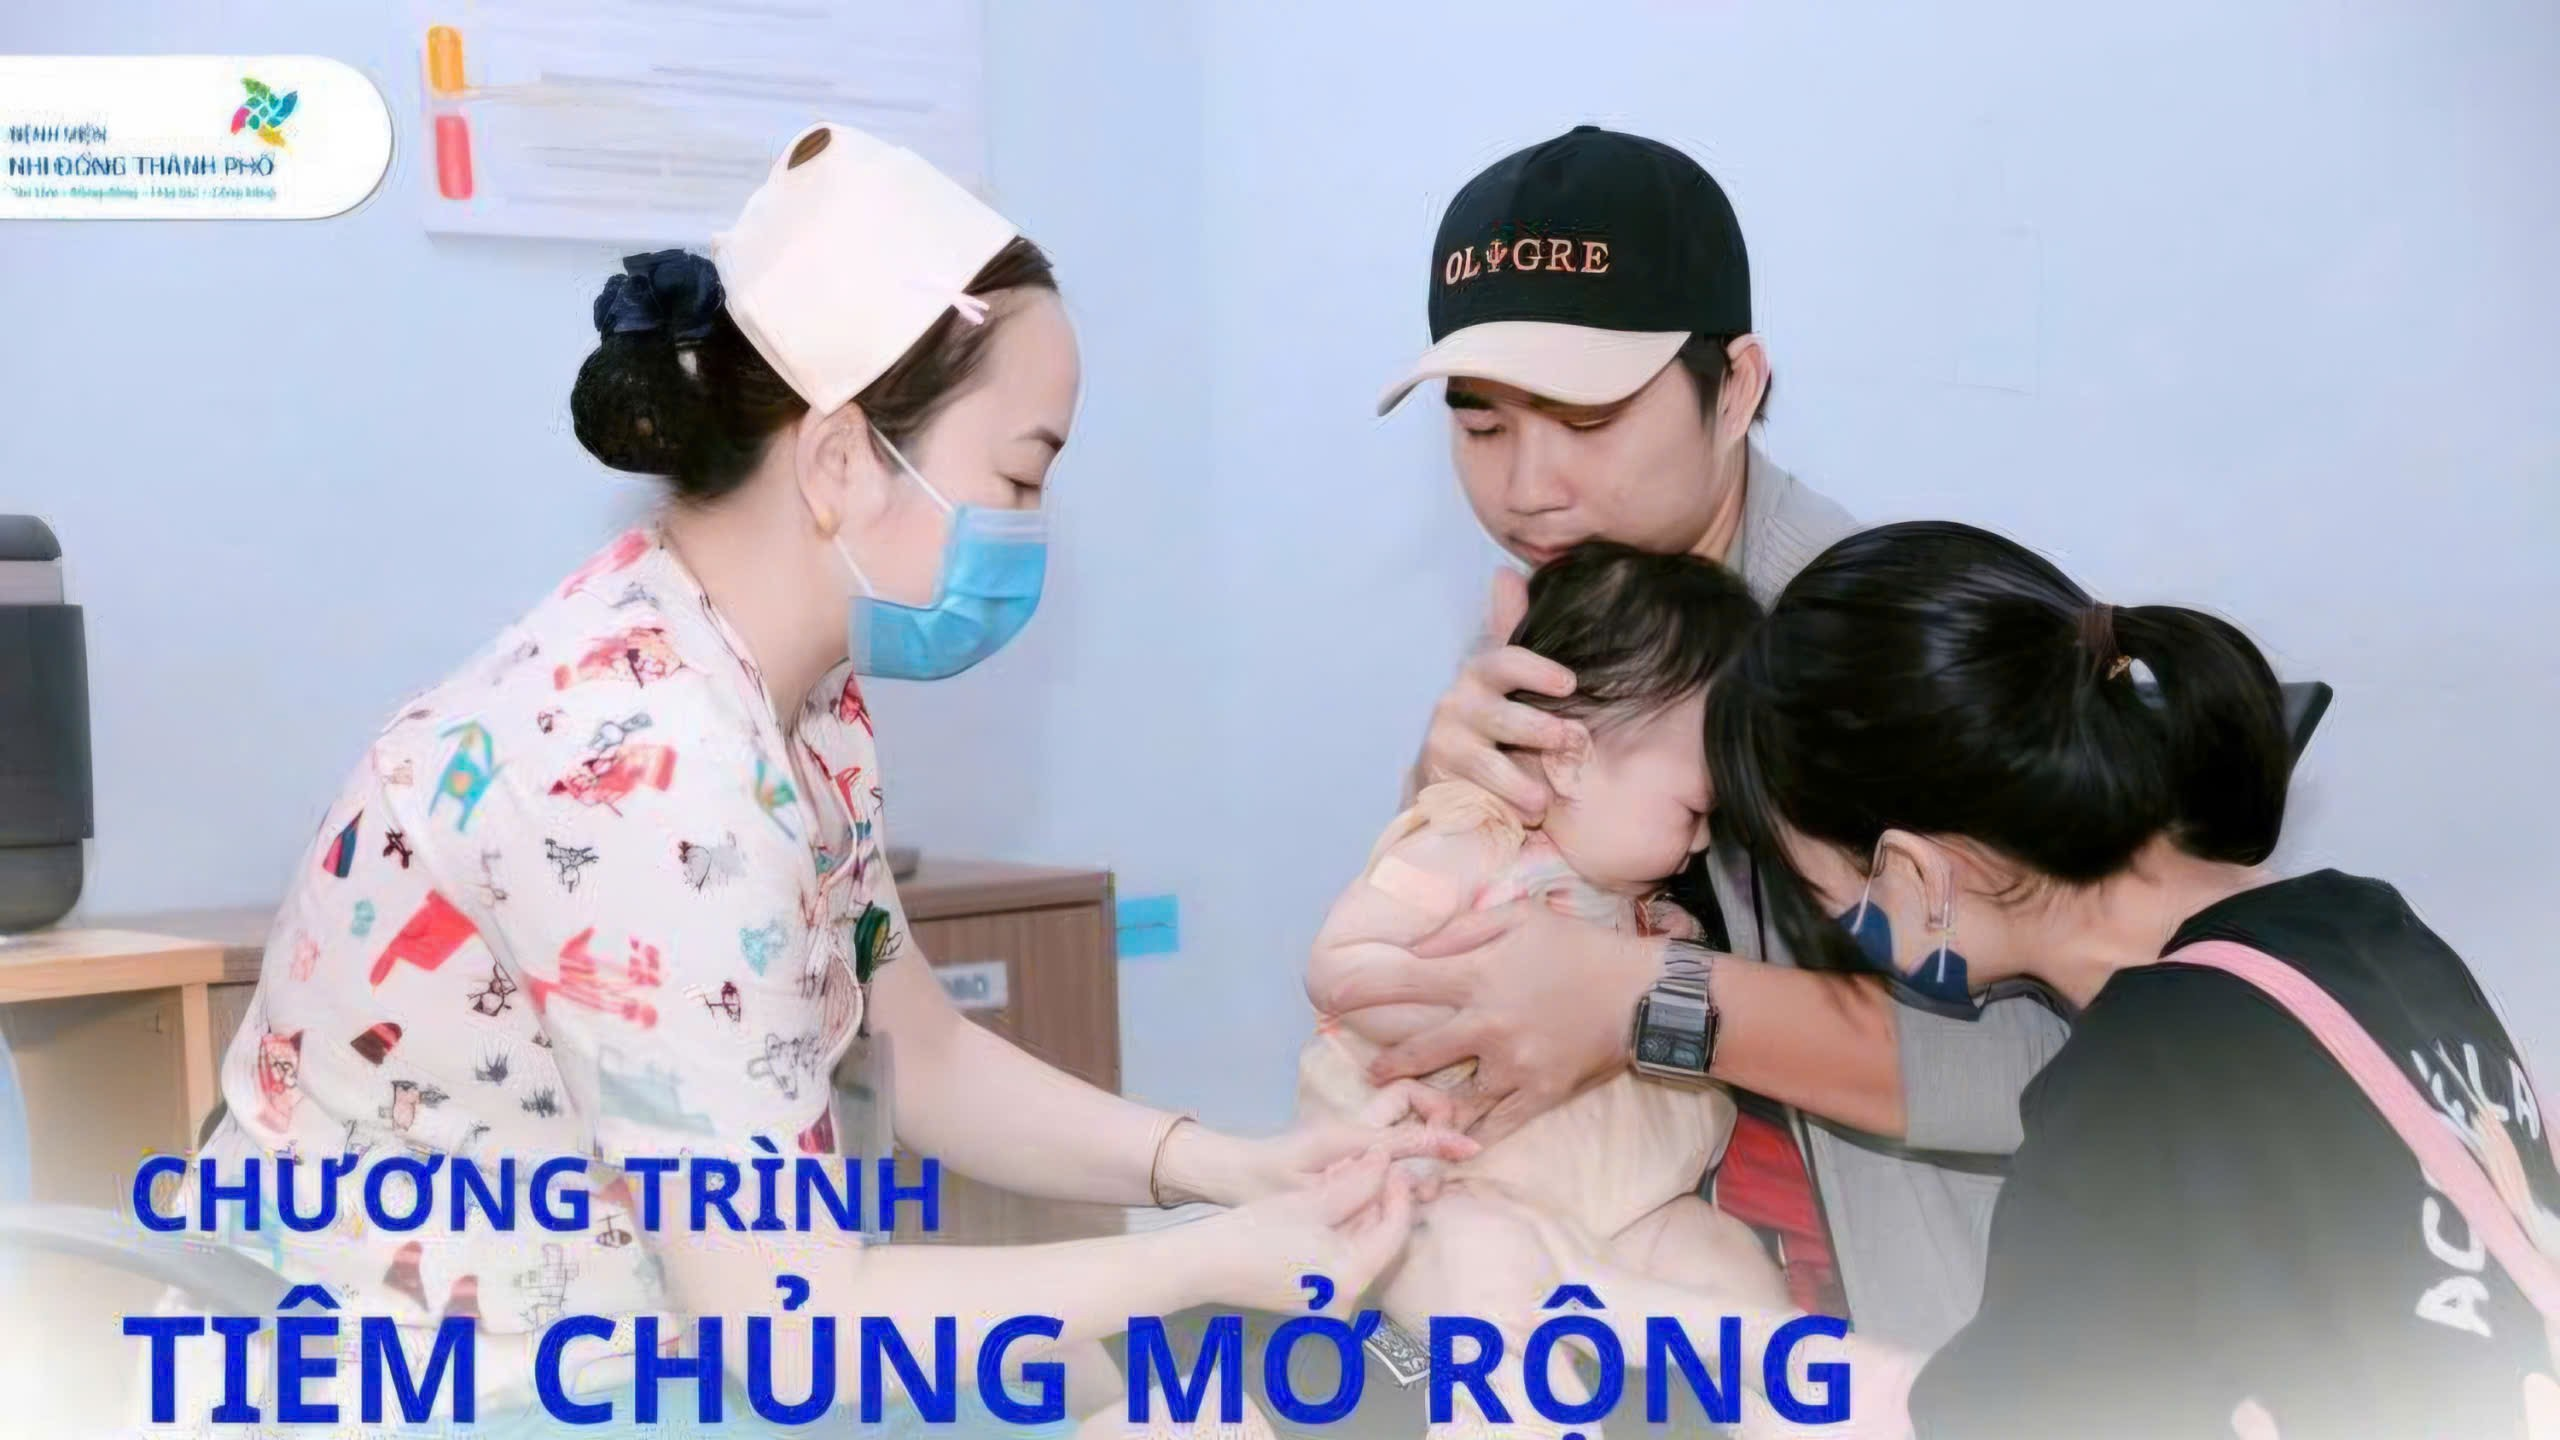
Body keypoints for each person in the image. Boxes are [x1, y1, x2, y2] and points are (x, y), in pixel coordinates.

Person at [178, 122, 1470, 1434]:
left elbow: (926, 1051)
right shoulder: (643, 772)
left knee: (1110, 1391)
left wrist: (1232, 1170)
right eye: (1020, 474)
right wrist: (1206, 1264)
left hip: (629, 1330)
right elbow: (793, 1335)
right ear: (842, 459)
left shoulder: (797, 703)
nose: (1030, 528)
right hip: (421, 1382)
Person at [1521, 520, 2560, 1438]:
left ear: (1915, 874)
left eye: (1827, 894)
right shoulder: (2374, 931)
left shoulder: (2136, 1081)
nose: (1840, 931)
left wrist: (1599, 1301)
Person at [1338, 125, 2068, 1351]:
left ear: (1733, 389)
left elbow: (2043, 1063)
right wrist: (1446, 803)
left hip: (1922, 1349)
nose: (1527, 487)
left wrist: (1644, 997)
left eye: (1585, 420)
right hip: (1630, 1271)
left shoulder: (1870, 650)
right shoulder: (1569, 616)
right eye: (1480, 428)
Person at [1297, 543, 1785, 1433]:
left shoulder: (1626, 892)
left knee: (1735, 1278)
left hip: (1627, 1195)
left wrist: (1658, 944)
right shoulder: (1469, 841)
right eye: (1693, 812)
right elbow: (1337, 964)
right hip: (1456, 1190)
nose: (1701, 845)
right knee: (1493, 1307)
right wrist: (1464, 1004)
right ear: (1567, 758)